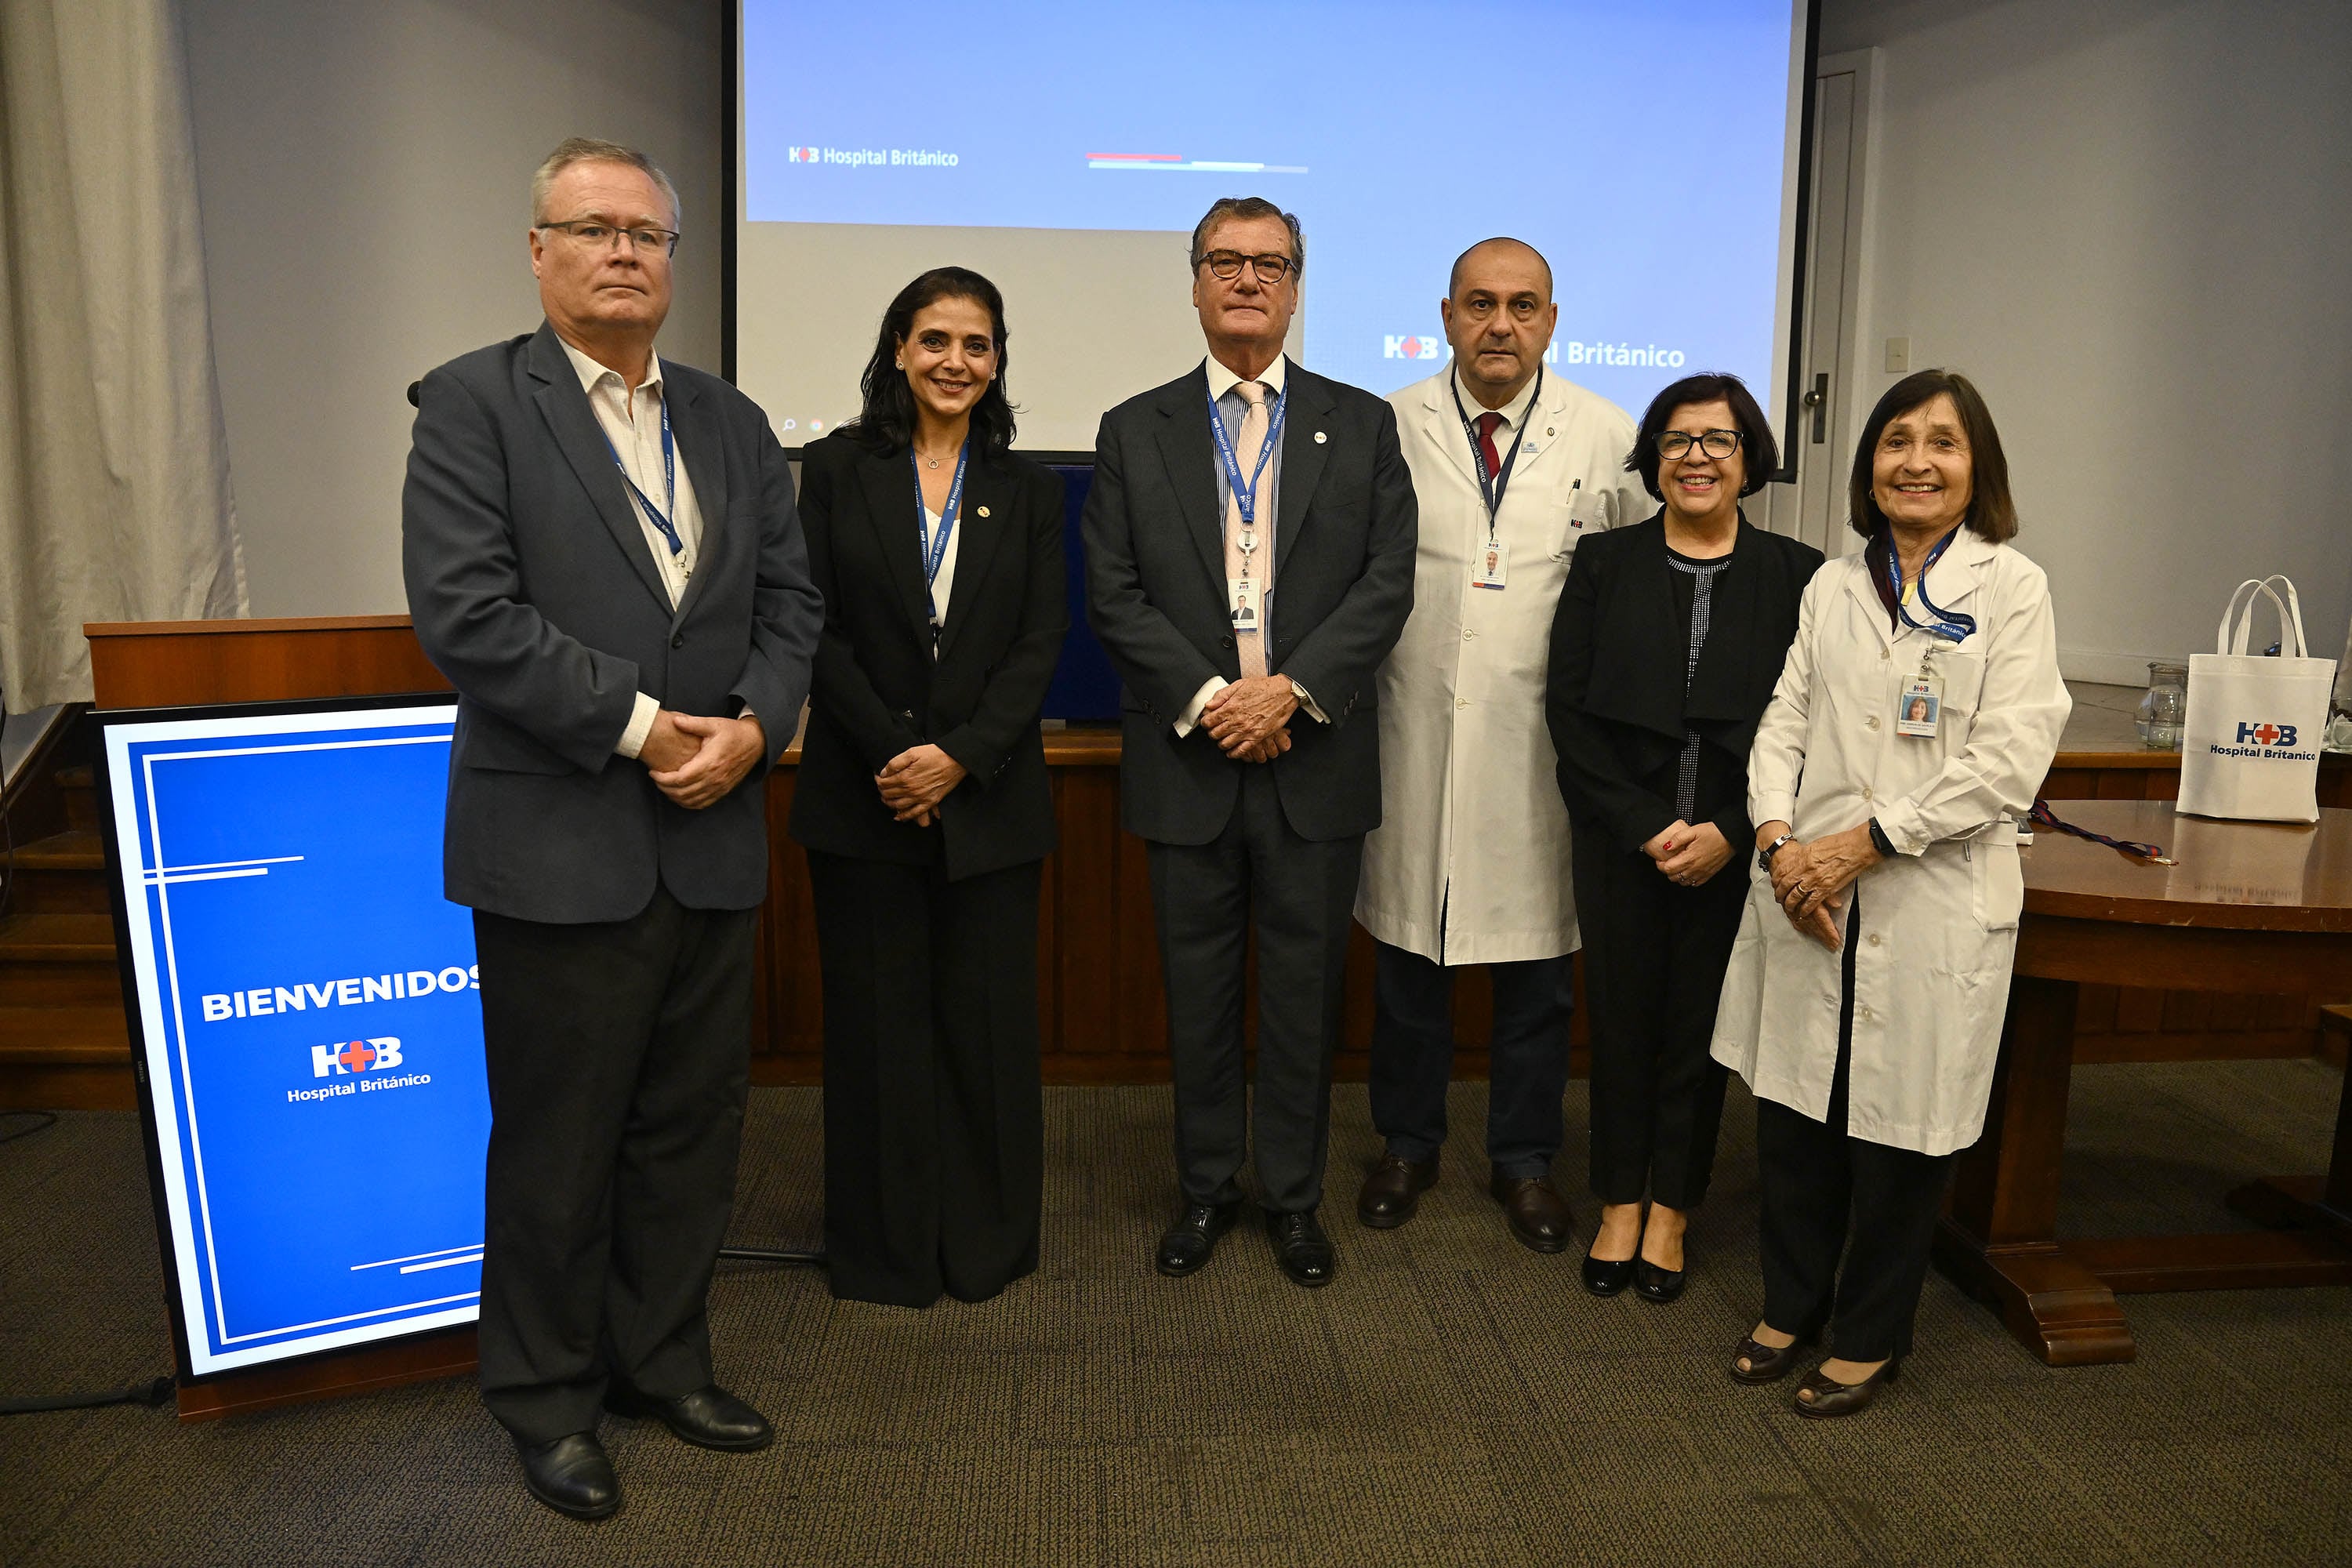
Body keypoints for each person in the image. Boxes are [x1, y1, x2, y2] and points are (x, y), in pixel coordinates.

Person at [402, 137, 822, 1520]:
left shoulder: (730, 417)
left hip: (713, 839)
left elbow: (792, 607)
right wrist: (654, 733)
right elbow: (470, 621)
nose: (626, 253)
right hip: (563, 842)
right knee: (557, 1145)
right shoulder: (472, 406)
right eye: (593, 229)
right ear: (539, 252)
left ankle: (661, 1362)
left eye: (648, 232)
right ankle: (546, 1400)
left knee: (691, 1135)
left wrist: (757, 729)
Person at [1711, 368, 2067, 1416]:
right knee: (1796, 1112)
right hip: (1805, 890)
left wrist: (1862, 845)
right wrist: (1780, 843)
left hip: (1929, 894)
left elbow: (2010, 759)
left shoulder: (2014, 588)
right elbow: (1782, 722)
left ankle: (1870, 1334)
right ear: (1868, 462)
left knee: (1901, 1131)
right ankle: (1791, 1302)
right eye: (1898, 440)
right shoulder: (1832, 585)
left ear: (1977, 469)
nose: (1918, 461)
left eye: (1944, 444)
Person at [1083, 196, 1417, 1288]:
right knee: (1198, 993)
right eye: (1224, 261)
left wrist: (1291, 691)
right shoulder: (1137, 429)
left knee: (1305, 995)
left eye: (1270, 264)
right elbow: (1115, 593)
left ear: (1297, 284)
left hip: (1313, 758)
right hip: (1190, 759)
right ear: (1192, 281)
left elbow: (1385, 584)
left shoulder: (1361, 424)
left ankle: (1292, 1198)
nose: (1247, 280)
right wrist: (1216, 697)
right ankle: (1205, 1188)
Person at [1353, 238, 1648, 1252]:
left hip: (1543, 760)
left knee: (1537, 980)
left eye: (1523, 307)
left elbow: (1644, 588)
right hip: (1414, 738)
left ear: (1552, 323)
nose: (1501, 326)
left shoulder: (1607, 437)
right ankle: (1407, 1142)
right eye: (1481, 305)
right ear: (1445, 315)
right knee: (1409, 966)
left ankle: (1525, 1162)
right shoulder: (1386, 427)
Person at [789, 267, 1066, 1308]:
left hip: (989, 799)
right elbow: (812, 627)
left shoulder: (1029, 490)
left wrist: (959, 756)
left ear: (997, 364)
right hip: (864, 798)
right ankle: (884, 1255)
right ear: (899, 349)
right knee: (877, 1037)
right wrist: (898, 755)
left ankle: (985, 1248)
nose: (956, 361)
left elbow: (1042, 641)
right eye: (936, 339)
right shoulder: (836, 470)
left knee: (987, 1036)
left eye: (977, 345)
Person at [1544, 373, 1822, 1302]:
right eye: (1677, 439)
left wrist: (1735, 834)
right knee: (1623, 1024)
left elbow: (1813, 725)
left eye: (1719, 439)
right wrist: (1646, 825)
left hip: (1739, 849)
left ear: (1750, 460)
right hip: (1625, 842)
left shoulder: (1801, 575)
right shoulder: (1605, 563)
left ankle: (1673, 1207)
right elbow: (1570, 713)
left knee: (1701, 1034)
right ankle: (1619, 1200)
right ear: (1653, 458)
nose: (1696, 456)